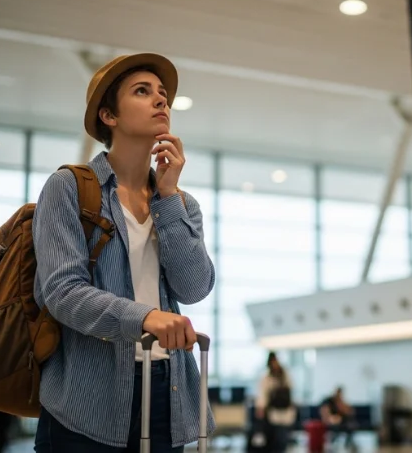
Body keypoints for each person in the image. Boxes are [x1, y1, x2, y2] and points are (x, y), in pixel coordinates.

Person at [32, 53, 216, 452]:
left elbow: (195, 286)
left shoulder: (181, 203)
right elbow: (62, 293)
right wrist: (145, 317)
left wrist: (167, 196)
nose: (161, 100)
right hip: (85, 400)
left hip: (168, 391)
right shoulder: (69, 188)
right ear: (109, 116)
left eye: (163, 94)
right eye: (142, 91)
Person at [254, 352, 296, 452]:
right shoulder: (267, 378)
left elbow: (290, 391)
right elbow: (263, 395)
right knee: (276, 438)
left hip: (286, 412)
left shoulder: (285, 376)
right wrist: (260, 409)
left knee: (282, 438)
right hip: (273, 413)